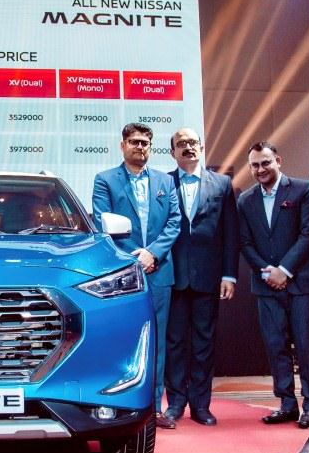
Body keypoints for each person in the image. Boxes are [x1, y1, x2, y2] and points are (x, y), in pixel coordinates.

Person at [92, 122, 181, 429]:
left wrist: (152, 253)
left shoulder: (165, 181)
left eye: (145, 143)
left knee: (157, 341)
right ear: (123, 146)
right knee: (123, 339)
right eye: (134, 142)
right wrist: (135, 257)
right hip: (122, 275)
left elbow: (174, 222)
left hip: (159, 270)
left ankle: (154, 409)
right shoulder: (105, 180)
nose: (140, 147)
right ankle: (123, 407)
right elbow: (103, 222)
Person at [238, 141, 309, 428]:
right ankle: (287, 404)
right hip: (266, 285)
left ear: (278, 161)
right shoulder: (245, 201)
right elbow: (245, 243)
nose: (260, 169)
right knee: (275, 346)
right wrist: (268, 273)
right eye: (254, 165)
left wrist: (284, 271)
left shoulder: (303, 189)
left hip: (303, 283)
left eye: (265, 162)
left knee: (306, 345)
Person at [163, 128, 238, 427]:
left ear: (201, 147)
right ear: (173, 152)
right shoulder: (163, 183)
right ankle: (175, 403)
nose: (188, 147)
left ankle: (201, 405)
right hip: (173, 276)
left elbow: (231, 232)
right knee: (174, 343)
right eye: (181, 144)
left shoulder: (222, 184)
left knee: (204, 343)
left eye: (192, 142)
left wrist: (229, 275)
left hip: (209, 276)